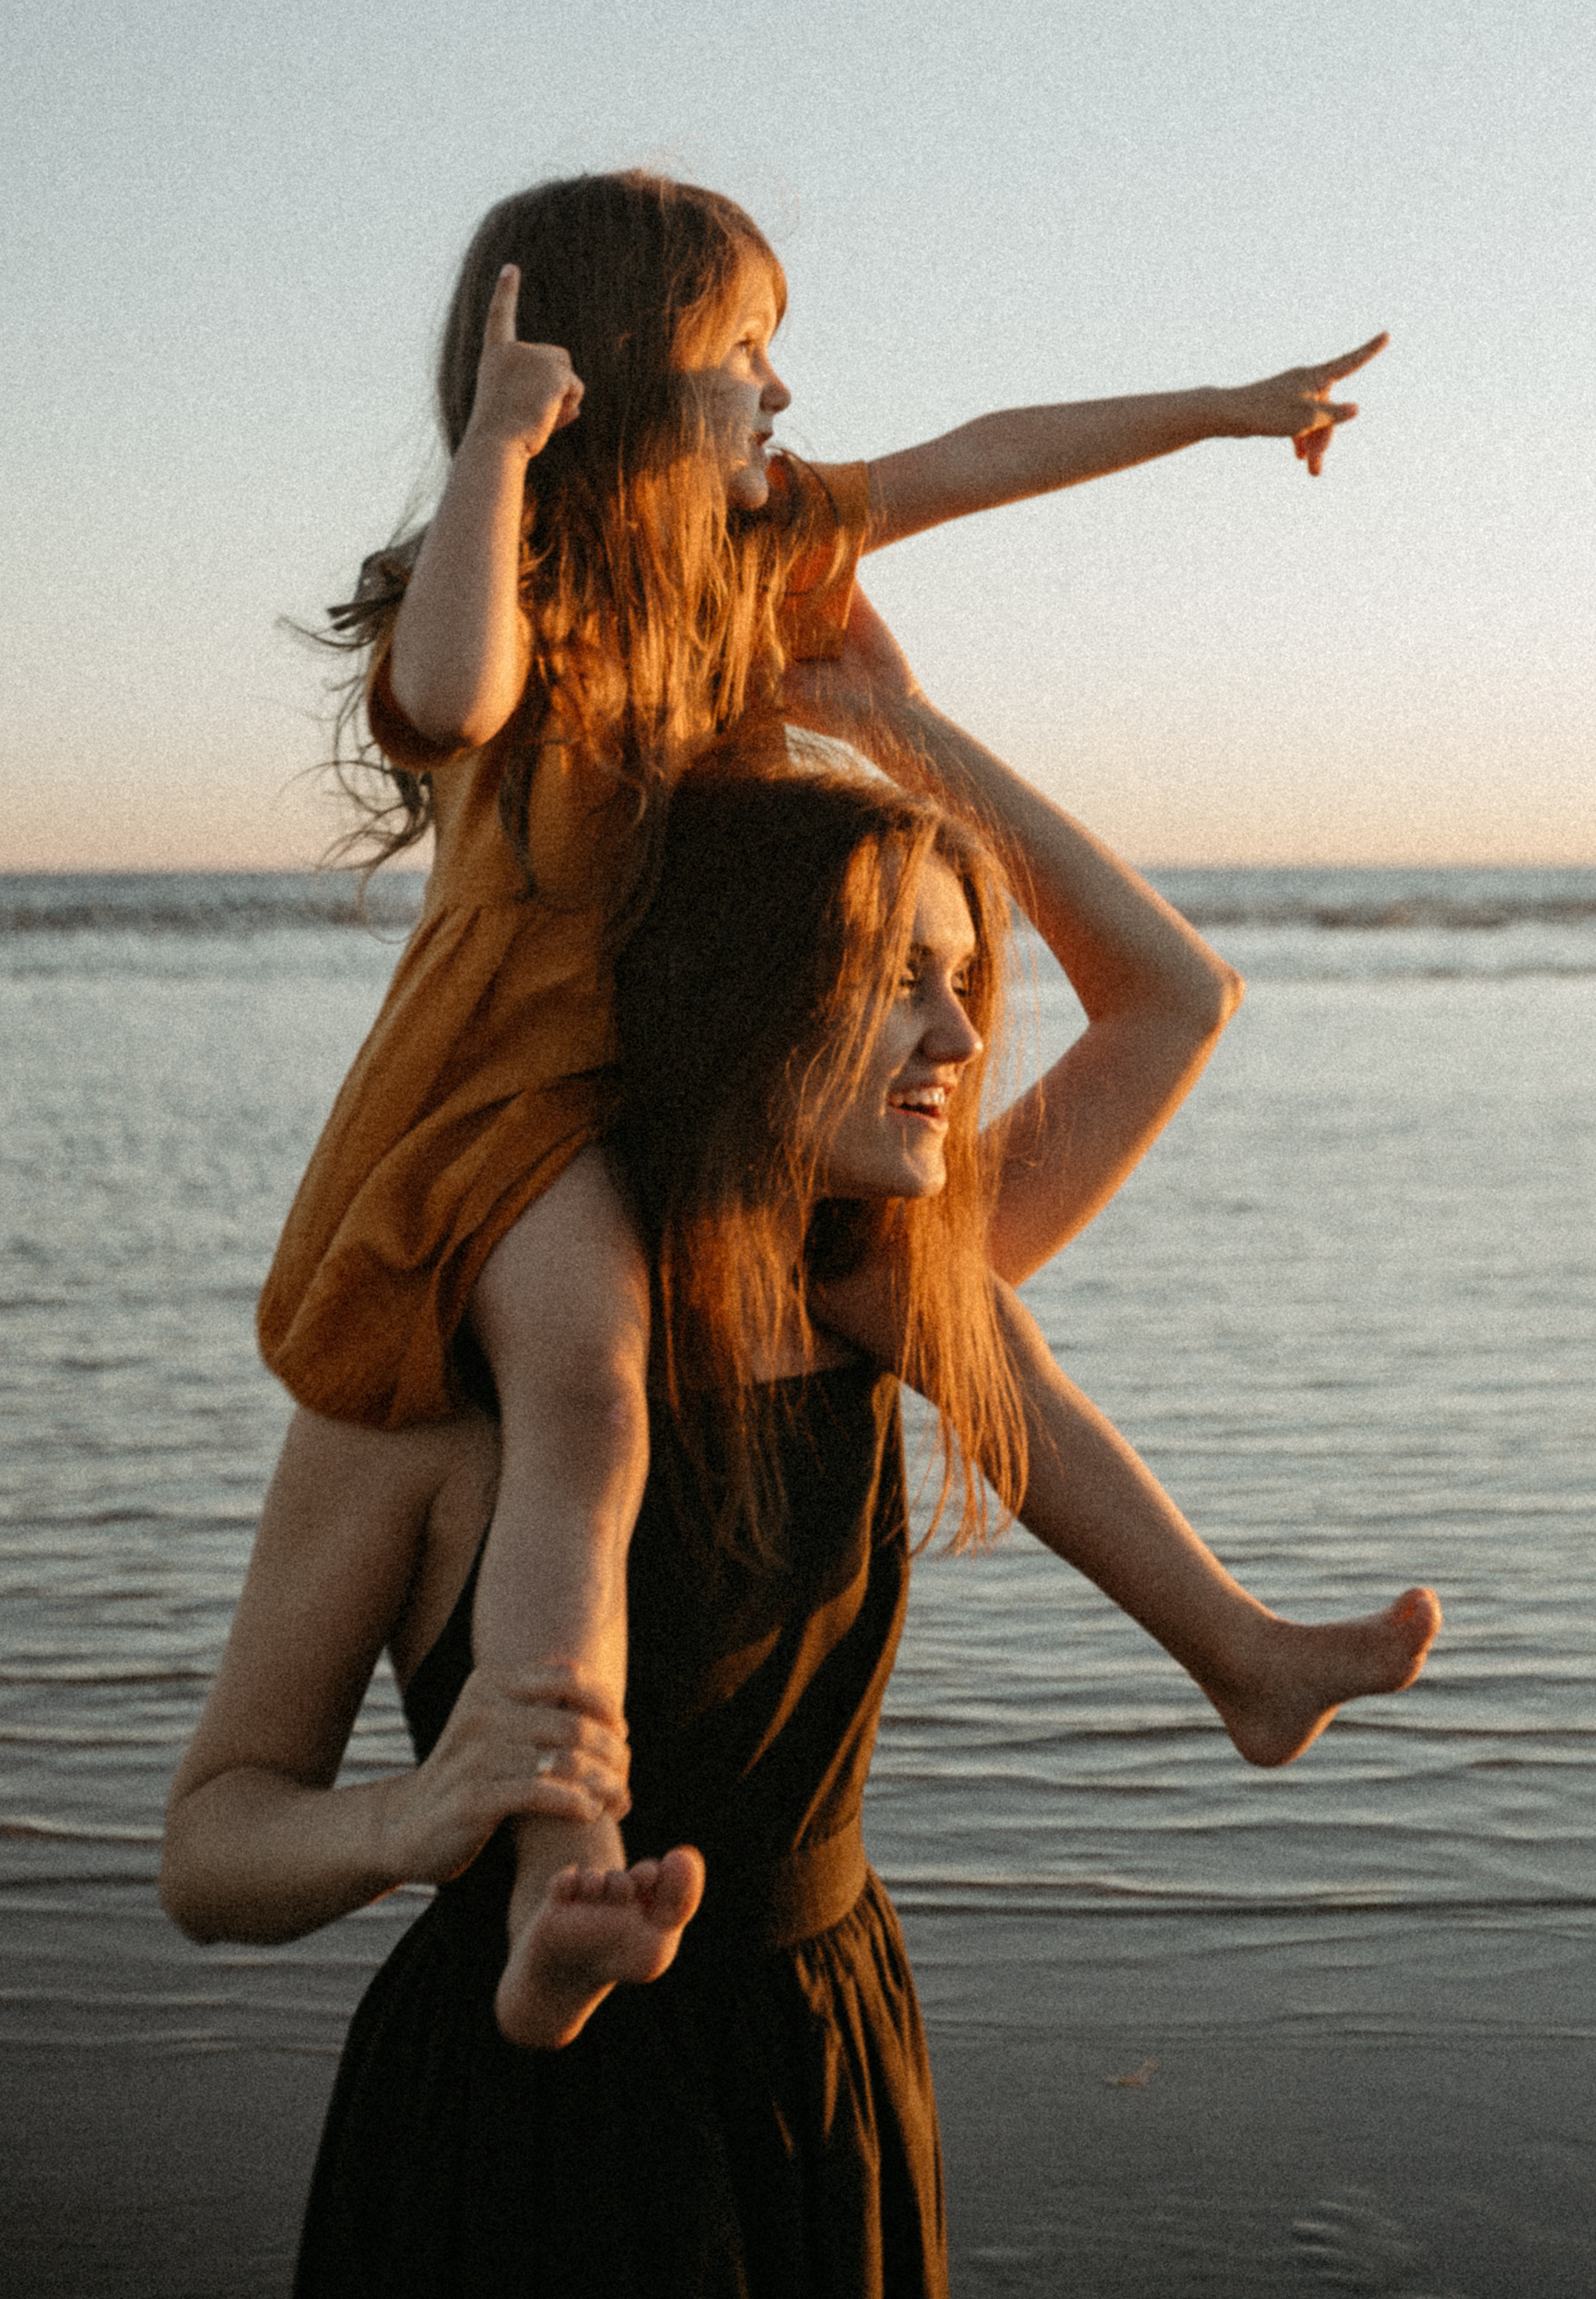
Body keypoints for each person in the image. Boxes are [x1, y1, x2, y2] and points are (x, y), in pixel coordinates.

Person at [257, 168, 1387, 2039]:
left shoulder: (755, 564)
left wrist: (1219, 409)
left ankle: (1238, 1652)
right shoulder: (517, 579)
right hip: (505, 1123)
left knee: (965, 1324)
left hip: (663, 1095)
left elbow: (981, 453)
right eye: (741, 355)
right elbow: (448, 705)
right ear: (609, 376)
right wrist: (498, 456)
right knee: (594, 1407)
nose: (779, 395)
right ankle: (558, 1873)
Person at [165, 645, 1443, 2295]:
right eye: (901, 978)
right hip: (528, 2124)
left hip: (824, 2060)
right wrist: (407, 1822)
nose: (960, 1035)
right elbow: (210, 1853)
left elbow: (1178, 998)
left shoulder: (883, 1300)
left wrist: (896, 729)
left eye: (967, 982)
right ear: (746, 995)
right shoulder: (445, 1387)